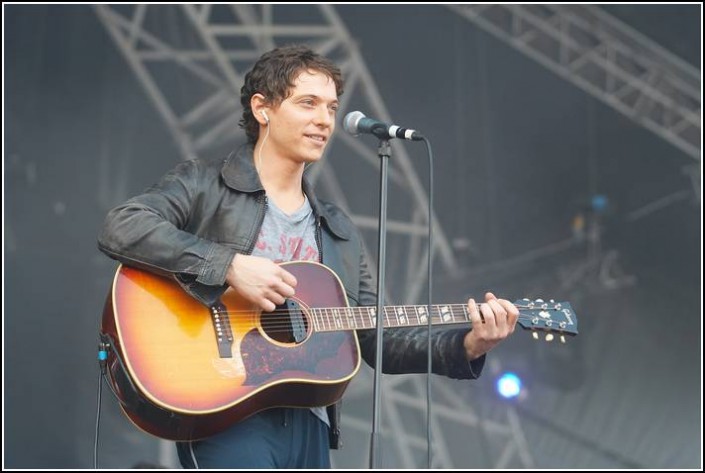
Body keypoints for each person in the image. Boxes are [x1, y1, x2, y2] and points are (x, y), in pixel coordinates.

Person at [98, 44, 519, 469]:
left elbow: (376, 339)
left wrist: (468, 345)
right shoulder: (205, 184)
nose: (324, 120)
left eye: (332, 108)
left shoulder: (337, 230)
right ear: (262, 109)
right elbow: (124, 225)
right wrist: (228, 266)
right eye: (308, 104)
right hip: (225, 407)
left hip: (310, 421)